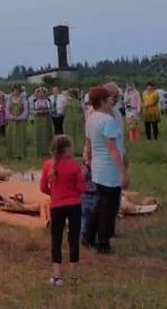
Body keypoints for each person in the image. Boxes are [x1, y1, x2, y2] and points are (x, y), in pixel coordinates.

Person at [82, 87, 128, 255]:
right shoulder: (107, 121)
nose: (112, 101)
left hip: (98, 168)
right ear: (101, 101)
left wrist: (87, 158)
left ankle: (87, 236)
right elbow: (113, 150)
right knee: (109, 209)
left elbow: (88, 143)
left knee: (100, 205)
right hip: (109, 169)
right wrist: (123, 173)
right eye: (109, 99)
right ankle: (103, 242)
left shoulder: (91, 117)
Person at [39, 135, 86, 286]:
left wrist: (54, 194)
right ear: (67, 149)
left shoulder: (48, 166)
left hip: (57, 206)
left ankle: (57, 275)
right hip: (74, 205)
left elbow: (43, 187)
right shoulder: (75, 166)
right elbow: (82, 188)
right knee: (73, 239)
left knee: (56, 240)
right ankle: (74, 274)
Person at [5, 86, 29, 160]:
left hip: (20, 122)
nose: (16, 92)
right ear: (12, 91)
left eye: (18, 91)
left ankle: (20, 154)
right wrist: (12, 117)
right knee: (12, 137)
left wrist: (19, 117)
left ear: (20, 92)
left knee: (20, 137)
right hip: (12, 122)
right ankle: (12, 154)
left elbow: (26, 111)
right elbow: (7, 111)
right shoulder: (9, 100)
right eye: (14, 91)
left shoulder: (23, 100)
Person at [30, 88, 54, 160]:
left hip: (46, 119)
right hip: (38, 119)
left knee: (47, 134)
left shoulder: (48, 100)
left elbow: (52, 109)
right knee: (38, 134)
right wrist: (37, 112)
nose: (41, 94)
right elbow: (31, 110)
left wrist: (47, 111)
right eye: (39, 93)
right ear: (36, 94)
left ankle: (47, 151)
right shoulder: (34, 101)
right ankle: (39, 151)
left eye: (42, 93)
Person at [64, 90, 85, 156]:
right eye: (71, 94)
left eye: (73, 94)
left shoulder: (79, 102)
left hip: (77, 120)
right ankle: (71, 150)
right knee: (70, 135)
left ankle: (78, 151)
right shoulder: (67, 102)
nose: (72, 95)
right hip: (69, 121)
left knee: (78, 136)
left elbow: (82, 111)